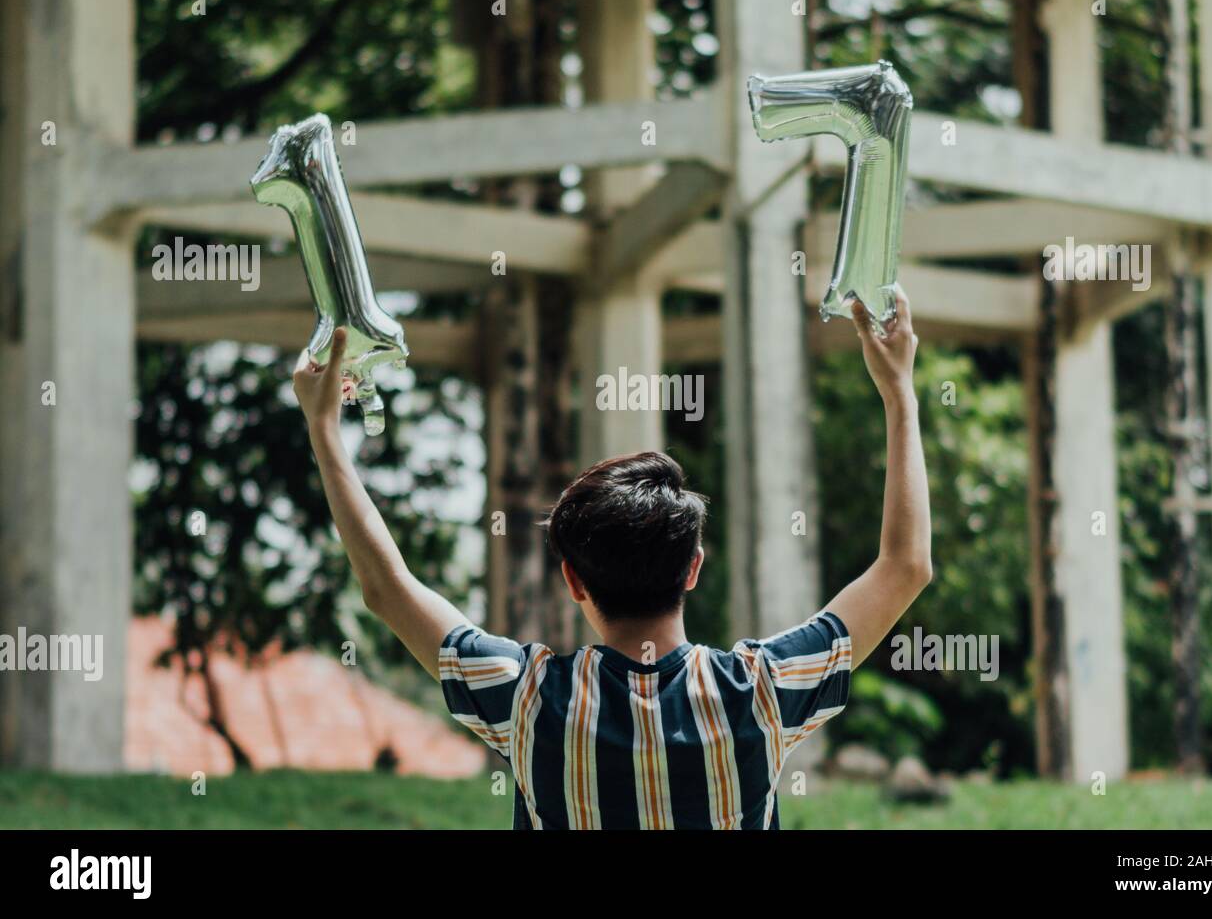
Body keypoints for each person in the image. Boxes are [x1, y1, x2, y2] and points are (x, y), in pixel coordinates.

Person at [293, 289, 931, 829]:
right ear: (693, 568)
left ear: (574, 580)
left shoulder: (529, 699)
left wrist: (325, 431)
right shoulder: (761, 693)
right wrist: (899, 390)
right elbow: (906, 566)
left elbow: (386, 588)